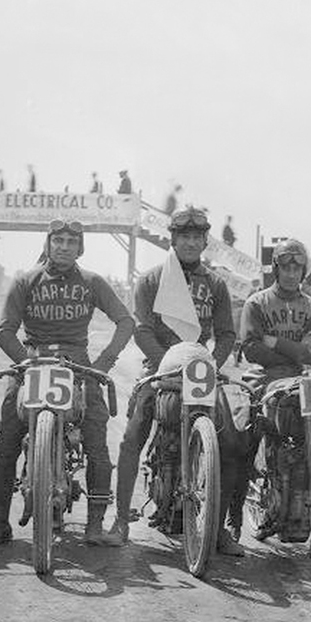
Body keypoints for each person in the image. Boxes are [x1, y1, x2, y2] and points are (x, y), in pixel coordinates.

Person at [0, 217, 134, 546]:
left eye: (71, 242)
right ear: (48, 244)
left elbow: (126, 321)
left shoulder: (93, 281)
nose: (64, 247)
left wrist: (104, 362)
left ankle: (94, 526)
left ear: (80, 248)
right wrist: (25, 365)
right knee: (7, 439)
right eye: (58, 241)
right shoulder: (25, 280)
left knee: (96, 443)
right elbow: (4, 332)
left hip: (78, 364)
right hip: (33, 359)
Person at [117, 208, 238, 545]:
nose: (191, 242)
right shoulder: (152, 279)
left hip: (199, 368)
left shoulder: (215, 283)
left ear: (204, 242)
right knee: (132, 437)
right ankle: (119, 522)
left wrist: (209, 364)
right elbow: (141, 330)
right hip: (160, 367)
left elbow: (227, 334)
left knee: (230, 442)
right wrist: (166, 365)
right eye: (184, 236)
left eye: (197, 237)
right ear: (173, 239)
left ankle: (217, 529)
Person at [236, 239, 311, 548]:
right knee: (241, 443)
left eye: (297, 268)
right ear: (276, 268)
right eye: (286, 267)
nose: (291, 273)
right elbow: (251, 349)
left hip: (300, 379)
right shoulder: (257, 302)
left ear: (304, 270)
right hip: (262, 379)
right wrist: (297, 351)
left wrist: (275, 343)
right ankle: (231, 519)